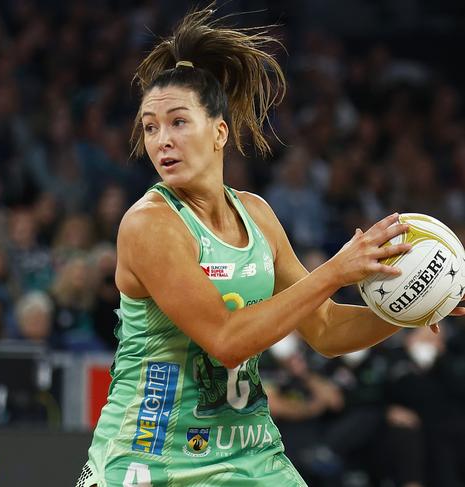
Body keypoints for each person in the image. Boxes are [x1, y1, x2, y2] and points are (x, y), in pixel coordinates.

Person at [77, 8, 465, 487]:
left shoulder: (257, 214)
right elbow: (227, 342)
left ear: (219, 132)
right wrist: (334, 273)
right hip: (151, 458)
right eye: (151, 126)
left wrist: (418, 303)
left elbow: (323, 330)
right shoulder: (149, 225)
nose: (162, 141)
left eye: (178, 122)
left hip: (249, 455)